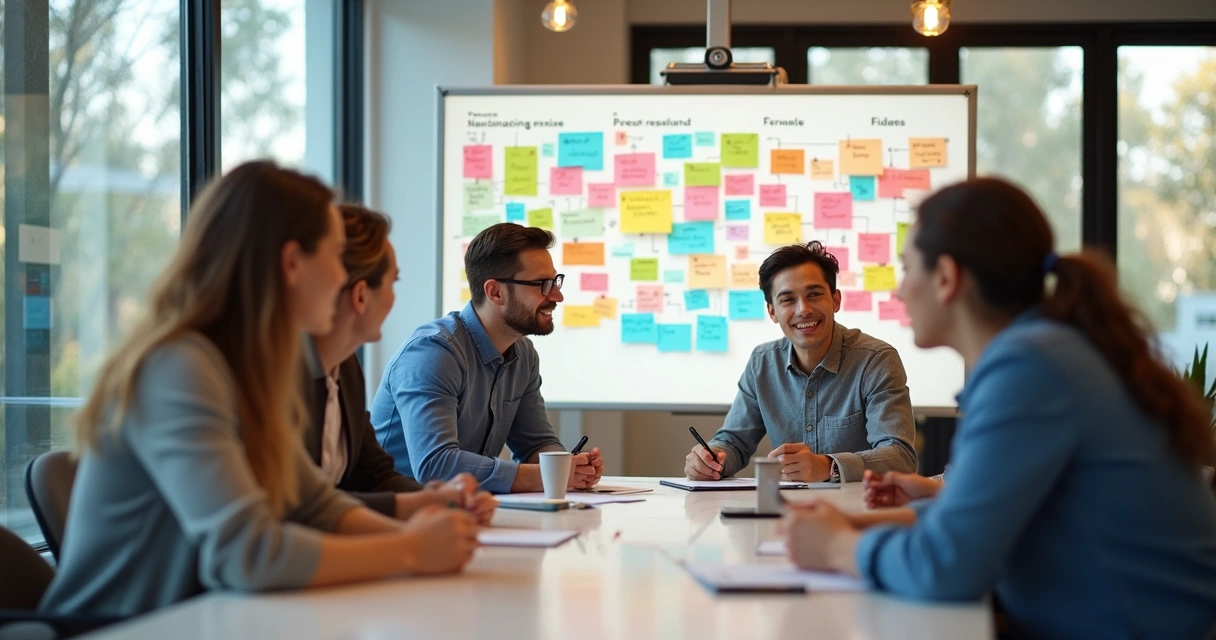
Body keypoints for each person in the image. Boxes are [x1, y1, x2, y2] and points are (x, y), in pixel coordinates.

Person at [782, 178, 1216, 640]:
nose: (900, 291)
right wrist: (856, 522)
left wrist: (836, 547)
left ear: (947, 278)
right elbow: (993, 522)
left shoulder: (1030, 367)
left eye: (907, 269)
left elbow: (945, 568)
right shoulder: (1048, 351)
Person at [41, 162, 478, 617]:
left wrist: (424, 535)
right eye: (333, 254)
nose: (340, 275)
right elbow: (247, 554)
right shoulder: (179, 367)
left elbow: (315, 504)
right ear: (292, 263)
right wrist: (407, 550)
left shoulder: (250, 368)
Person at [372, 223, 604, 494]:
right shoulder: (433, 353)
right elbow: (435, 465)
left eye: (555, 281)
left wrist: (568, 466)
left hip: (465, 512)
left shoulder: (523, 354)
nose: (557, 295)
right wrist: (548, 476)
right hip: (395, 517)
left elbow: (535, 445)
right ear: (495, 292)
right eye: (543, 284)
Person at [304, 204, 496, 524]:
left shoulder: (346, 366)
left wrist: (438, 499)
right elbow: (303, 505)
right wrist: (422, 513)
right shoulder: (280, 377)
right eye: (394, 283)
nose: (395, 298)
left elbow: (375, 473)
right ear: (361, 295)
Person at [684, 241, 917, 484]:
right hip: (788, 512)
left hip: (859, 513)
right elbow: (733, 442)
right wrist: (710, 460)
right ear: (772, 311)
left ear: (836, 300)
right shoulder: (762, 363)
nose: (803, 310)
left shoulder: (876, 360)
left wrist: (829, 466)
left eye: (814, 295)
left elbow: (900, 457)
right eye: (787, 300)